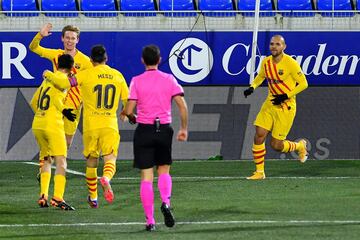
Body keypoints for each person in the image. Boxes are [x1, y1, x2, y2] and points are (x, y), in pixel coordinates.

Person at [124, 45, 188, 231]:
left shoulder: (136, 81)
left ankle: (150, 221)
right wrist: (183, 128)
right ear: (159, 60)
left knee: (146, 176)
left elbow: (129, 110)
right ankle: (166, 203)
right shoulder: (169, 79)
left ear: (143, 60)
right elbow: (182, 106)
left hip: (144, 130)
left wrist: (131, 117)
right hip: (164, 129)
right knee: (164, 170)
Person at [29, 23, 92, 178]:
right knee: (50, 139)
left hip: (74, 106)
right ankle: (46, 170)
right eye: (67, 38)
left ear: (78, 40)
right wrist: (40, 35)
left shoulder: (85, 61)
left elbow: (91, 81)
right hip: (55, 104)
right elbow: (33, 48)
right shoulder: (56, 55)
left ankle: (56, 170)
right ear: (62, 38)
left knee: (66, 143)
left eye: (73, 38)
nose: (70, 41)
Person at [243, 35, 308, 180]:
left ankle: (300, 146)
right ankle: (259, 172)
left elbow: (304, 84)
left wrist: (286, 96)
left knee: (276, 145)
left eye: (278, 44)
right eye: (272, 44)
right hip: (270, 103)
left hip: (286, 107)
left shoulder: (291, 63)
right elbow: (260, 76)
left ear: (284, 47)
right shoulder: (266, 62)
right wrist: (252, 87)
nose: (274, 46)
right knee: (259, 134)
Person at [72, 45, 129, 208]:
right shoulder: (117, 75)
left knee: (91, 161)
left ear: (90, 60)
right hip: (109, 124)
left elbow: (68, 83)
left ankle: (93, 196)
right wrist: (126, 113)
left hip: (91, 126)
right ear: (106, 59)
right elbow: (128, 99)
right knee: (110, 158)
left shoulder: (84, 74)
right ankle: (107, 178)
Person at [31, 54, 76, 210]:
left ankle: (43, 195)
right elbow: (57, 99)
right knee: (61, 161)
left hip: (38, 123)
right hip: (52, 124)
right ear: (71, 68)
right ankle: (57, 197)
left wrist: (42, 114)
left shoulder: (46, 82)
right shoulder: (63, 81)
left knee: (45, 159)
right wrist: (62, 111)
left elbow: (33, 102)